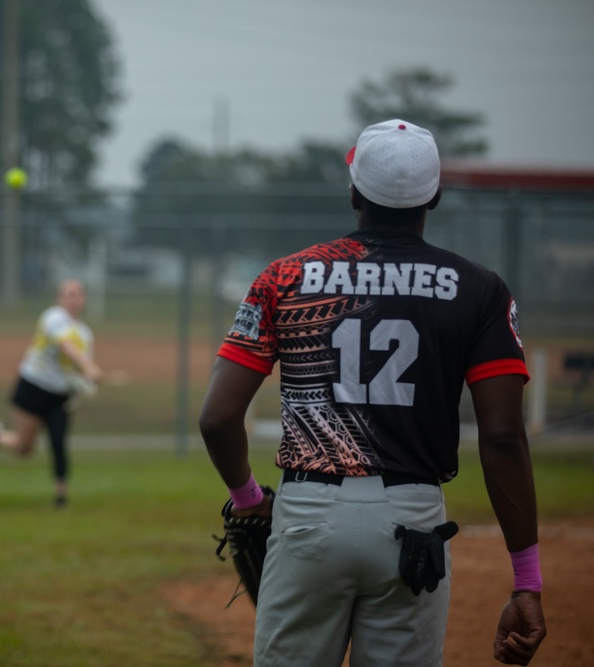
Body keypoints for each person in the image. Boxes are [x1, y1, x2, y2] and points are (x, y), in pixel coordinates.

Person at [199, 120, 546, 666]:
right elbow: (502, 437)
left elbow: (218, 419)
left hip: (309, 511)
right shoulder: (480, 289)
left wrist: (249, 500)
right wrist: (526, 581)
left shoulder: (284, 277)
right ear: (433, 195)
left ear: (355, 191)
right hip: (414, 521)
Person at [0, 278, 103, 508]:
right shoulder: (53, 318)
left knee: (58, 441)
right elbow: (67, 348)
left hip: (59, 395)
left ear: (83, 299)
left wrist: (85, 384)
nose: (72, 299)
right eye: (67, 295)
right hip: (33, 386)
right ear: (59, 299)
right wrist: (89, 367)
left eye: (77, 294)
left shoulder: (86, 335)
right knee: (25, 449)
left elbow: (75, 371)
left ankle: (61, 497)